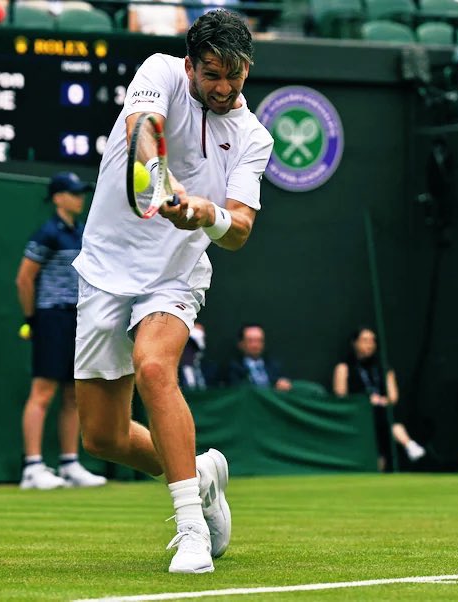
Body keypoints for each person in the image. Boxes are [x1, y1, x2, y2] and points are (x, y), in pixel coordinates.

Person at [71, 10, 273, 574]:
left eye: (235, 75)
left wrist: (207, 215)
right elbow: (141, 131)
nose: (224, 87)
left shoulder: (254, 137)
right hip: (104, 267)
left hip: (175, 274)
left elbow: (240, 229)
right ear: (189, 66)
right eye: (212, 75)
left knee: (154, 367)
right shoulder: (158, 70)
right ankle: (199, 472)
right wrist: (163, 186)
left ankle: (192, 531)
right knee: (103, 437)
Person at [16, 172, 107, 490]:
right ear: (57, 198)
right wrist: (32, 319)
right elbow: (24, 279)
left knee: (73, 394)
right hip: (50, 317)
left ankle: (69, 463)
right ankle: (32, 467)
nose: (79, 198)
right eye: (73, 193)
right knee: (42, 392)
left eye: (80, 193)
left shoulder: (81, 233)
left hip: (78, 318)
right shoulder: (47, 233)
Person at [332, 326, 425, 472]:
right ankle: (408, 445)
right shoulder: (344, 368)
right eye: (365, 340)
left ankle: (408, 445)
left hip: (381, 414)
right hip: (357, 415)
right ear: (354, 343)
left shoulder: (384, 368)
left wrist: (381, 401)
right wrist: (364, 401)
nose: (369, 344)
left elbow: (393, 397)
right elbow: (340, 395)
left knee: (386, 421)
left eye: (372, 341)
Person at [225, 323, 292, 391]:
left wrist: (283, 384)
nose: (255, 345)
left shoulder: (274, 366)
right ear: (241, 344)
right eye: (250, 341)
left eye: (259, 340)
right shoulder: (233, 368)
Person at [179, 323, 210, 392]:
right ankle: (194, 387)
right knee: (191, 374)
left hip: (192, 358)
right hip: (188, 358)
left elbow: (201, 346)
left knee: (194, 373)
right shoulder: (192, 333)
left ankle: (196, 387)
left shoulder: (195, 334)